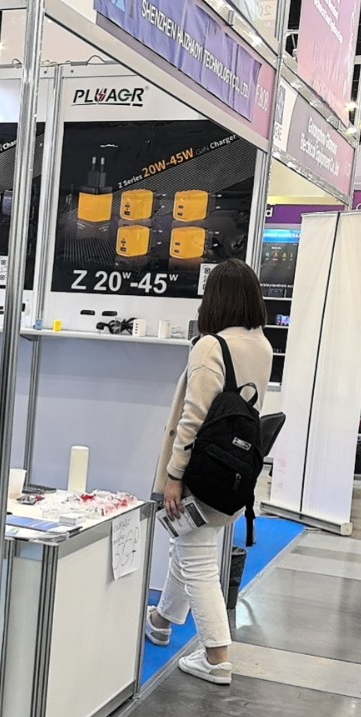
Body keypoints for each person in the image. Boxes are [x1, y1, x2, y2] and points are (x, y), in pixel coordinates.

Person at [142, 258, 273, 686]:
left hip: (200, 471)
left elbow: (192, 419)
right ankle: (162, 620)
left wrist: (174, 476)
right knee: (189, 543)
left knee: (196, 557)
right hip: (232, 471)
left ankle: (217, 655)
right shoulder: (262, 345)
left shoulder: (210, 347)